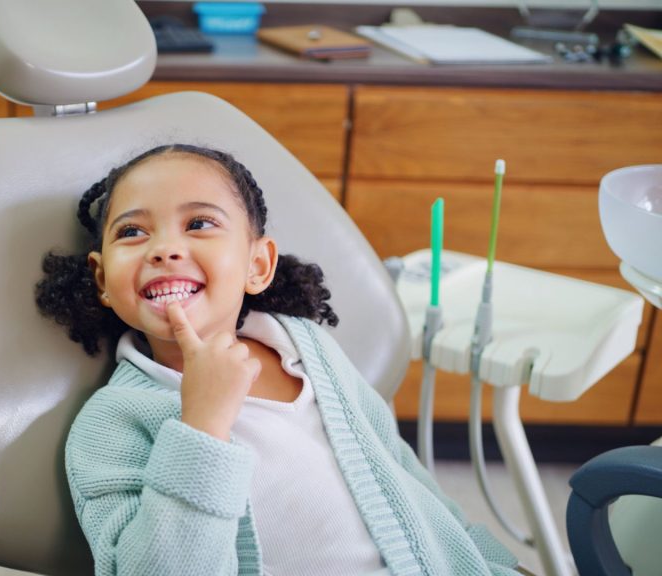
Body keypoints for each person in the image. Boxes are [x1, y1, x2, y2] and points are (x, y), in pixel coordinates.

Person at [36, 144, 520, 575]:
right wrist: (202, 426)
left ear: (257, 265)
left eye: (199, 224)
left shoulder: (306, 347)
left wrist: (490, 562)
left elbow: (401, 475)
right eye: (133, 232)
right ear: (102, 279)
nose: (165, 249)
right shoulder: (109, 426)